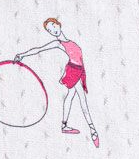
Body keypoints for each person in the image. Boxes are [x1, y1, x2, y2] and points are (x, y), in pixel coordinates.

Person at [14, 18, 99, 147]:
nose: (53, 30)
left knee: (70, 96)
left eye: (53, 26)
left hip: (78, 70)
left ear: (58, 24)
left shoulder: (69, 41)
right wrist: (22, 55)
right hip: (73, 71)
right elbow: (39, 49)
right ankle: (92, 130)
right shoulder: (58, 43)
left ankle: (64, 125)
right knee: (82, 98)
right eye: (49, 30)